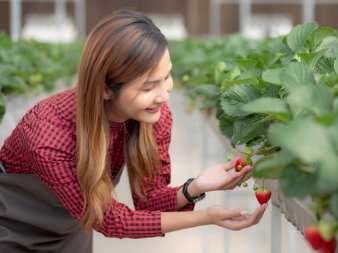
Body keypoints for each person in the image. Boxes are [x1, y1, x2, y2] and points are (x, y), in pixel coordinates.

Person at [0, 9, 267, 253]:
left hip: (72, 230)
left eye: (167, 77)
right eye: (148, 87)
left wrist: (194, 187)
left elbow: (149, 202)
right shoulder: (49, 131)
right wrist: (205, 217)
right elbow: (110, 220)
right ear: (105, 88)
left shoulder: (152, 118)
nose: (163, 95)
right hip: (11, 230)